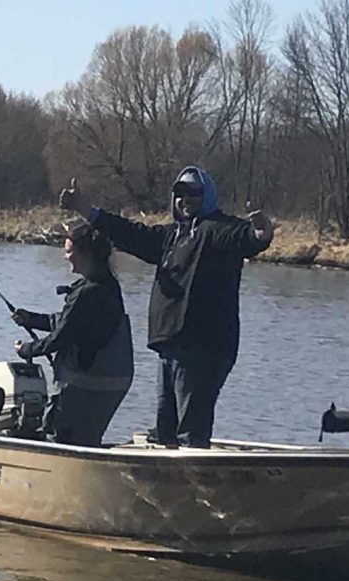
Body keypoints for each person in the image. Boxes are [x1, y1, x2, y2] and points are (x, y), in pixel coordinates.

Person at [59, 166, 274, 448]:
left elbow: (246, 239)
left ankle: (194, 480)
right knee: (165, 430)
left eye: (194, 193)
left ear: (207, 196)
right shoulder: (170, 237)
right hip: (170, 346)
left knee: (190, 431)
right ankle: (163, 480)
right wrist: (85, 209)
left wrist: (262, 232)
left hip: (203, 349)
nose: (185, 199)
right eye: (180, 193)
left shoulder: (217, 230)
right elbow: (127, 233)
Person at [12, 224, 134, 447]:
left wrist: (26, 350)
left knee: (59, 436)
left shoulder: (86, 293)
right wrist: (32, 319)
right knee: (87, 439)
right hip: (111, 385)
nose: (65, 256)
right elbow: (73, 323)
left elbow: (61, 337)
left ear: (85, 254)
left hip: (83, 384)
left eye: (69, 251)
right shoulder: (109, 285)